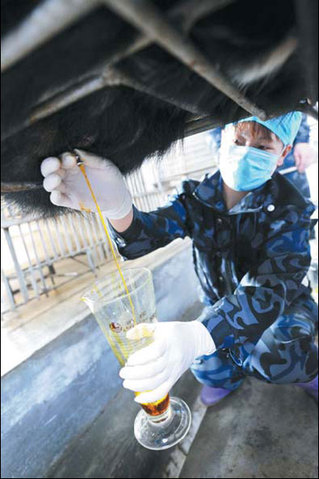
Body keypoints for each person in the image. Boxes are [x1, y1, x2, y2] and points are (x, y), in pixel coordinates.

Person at [40, 112, 318, 407]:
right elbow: (148, 235)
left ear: (283, 153)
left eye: (262, 147)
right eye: (238, 139)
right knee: (204, 367)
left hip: (281, 308)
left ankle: (311, 374)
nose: (246, 151)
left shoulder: (291, 210)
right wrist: (118, 209)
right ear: (223, 136)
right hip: (219, 307)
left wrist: (200, 333)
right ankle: (228, 371)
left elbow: (269, 289)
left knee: (277, 354)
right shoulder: (195, 197)